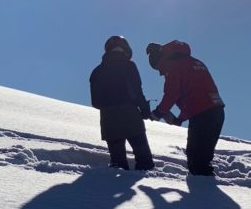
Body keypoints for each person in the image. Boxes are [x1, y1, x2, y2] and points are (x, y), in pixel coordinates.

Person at [146, 40, 225, 176]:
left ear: (160, 60)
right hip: (216, 111)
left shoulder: (173, 66)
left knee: (196, 160)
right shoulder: (194, 62)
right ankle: (206, 191)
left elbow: (172, 94)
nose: (160, 71)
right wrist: (181, 118)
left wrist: (158, 113)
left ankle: (202, 193)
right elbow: (194, 94)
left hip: (202, 115)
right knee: (202, 157)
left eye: (159, 67)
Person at [89, 35, 155, 170]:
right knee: (144, 160)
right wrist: (145, 110)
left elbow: (95, 102)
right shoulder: (129, 66)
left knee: (118, 163)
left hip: (108, 118)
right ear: (125, 50)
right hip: (130, 115)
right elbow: (137, 91)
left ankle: (115, 184)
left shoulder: (96, 72)